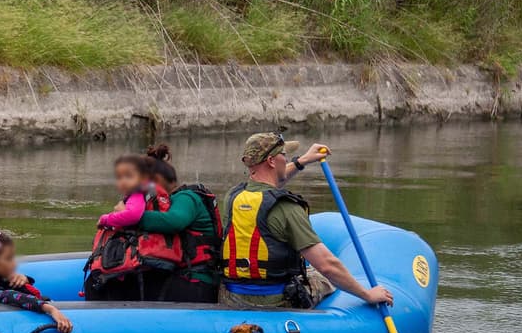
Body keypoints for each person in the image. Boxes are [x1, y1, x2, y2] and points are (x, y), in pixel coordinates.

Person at [220, 132, 394, 310]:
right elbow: (327, 265)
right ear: (272, 161)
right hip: (275, 300)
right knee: (320, 276)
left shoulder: (233, 197)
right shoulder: (287, 208)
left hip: (233, 297)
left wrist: (300, 162)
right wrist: (367, 294)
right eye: (284, 155)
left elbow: (267, 184)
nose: (286, 160)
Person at [84, 154, 180, 300]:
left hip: (140, 260)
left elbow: (133, 215)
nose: (123, 181)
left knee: (94, 285)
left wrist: (105, 219)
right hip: (150, 257)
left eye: (129, 177)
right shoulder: (148, 193)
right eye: (120, 177)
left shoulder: (137, 193)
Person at [135, 144, 222, 303]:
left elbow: (174, 222)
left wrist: (131, 217)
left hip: (196, 280)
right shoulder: (164, 204)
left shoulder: (186, 198)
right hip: (181, 277)